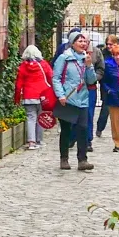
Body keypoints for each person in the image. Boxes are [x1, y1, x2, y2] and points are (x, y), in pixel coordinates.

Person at [51, 32, 98, 170]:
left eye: (84, 41)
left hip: (82, 99)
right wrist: (60, 95)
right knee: (66, 130)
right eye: (80, 41)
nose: (83, 44)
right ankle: (64, 158)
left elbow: (91, 80)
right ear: (72, 43)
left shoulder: (86, 59)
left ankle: (82, 160)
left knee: (82, 129)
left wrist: (89, 66)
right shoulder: (64, 58)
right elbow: (56, 78)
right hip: (68, 99)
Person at [13, 45, 53, 150]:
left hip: (28, 96)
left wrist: (17, 98)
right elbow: (51, 77)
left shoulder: (23, 66)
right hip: (42, 95)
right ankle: (39, 141)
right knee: (41, 118)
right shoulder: (44, 64)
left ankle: (31, 142)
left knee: (31, 118)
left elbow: (18, 84)